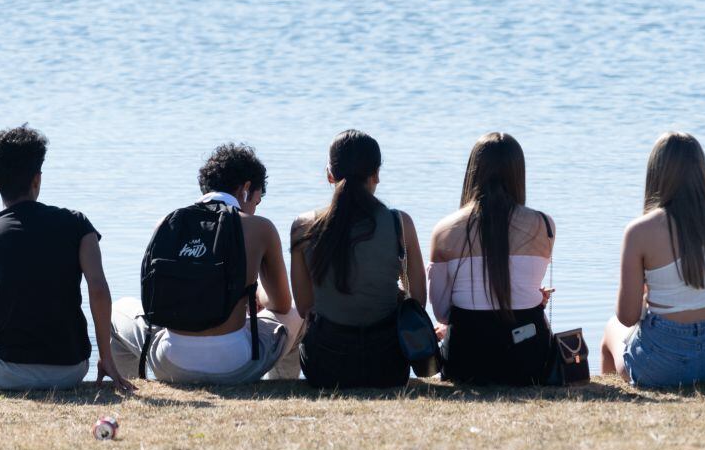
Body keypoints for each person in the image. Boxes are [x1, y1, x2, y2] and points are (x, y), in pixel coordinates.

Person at [0, 125, 133, 391]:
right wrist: (106, 357)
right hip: (72, 369)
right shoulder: (78, 224)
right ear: (37, 179)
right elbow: (98, 289)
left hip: (5, 372)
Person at [110, 143, 302, 383]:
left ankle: (128, 384)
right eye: (258, 198)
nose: (255, 206)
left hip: (169, 362)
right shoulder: (260, 227)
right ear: (245, 189)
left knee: (117, 309)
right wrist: (256, 292)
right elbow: (281, 305)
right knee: (297, 312)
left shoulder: (166, 222)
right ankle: (281, 386)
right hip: (237, 365)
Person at [601, 132, 705, 387]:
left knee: (611, 329)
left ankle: (609, 392)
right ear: (702, 173)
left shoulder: (640, 232)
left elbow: (626, 316)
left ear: (656, 174)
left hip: (661, 367)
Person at [290, 130, 426, 388]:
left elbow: (306, 306)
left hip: (326, 367)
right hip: (387, 365)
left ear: (329, 174)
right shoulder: (400, 223)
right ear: (376, 174)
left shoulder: (303, 226)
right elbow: (417, 300)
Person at [429, 132, 556, 385]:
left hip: (466, 362)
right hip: (530, 360)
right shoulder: (544, 225)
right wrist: (532, 296)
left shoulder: (444, 230)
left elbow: (443, 313)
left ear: (472, 172)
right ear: (519, 174)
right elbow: (517, 285)